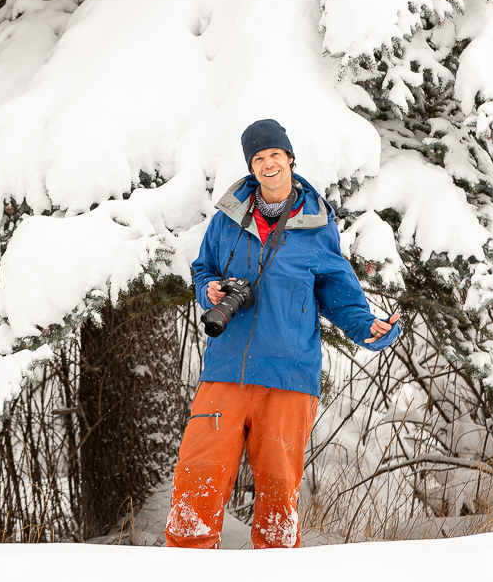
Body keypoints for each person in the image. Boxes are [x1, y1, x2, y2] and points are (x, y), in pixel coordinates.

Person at [164, 118, 401, 549]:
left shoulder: (317, 225)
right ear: (251, 168)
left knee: (277, 499)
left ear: (289, 158)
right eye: (258, 158)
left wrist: (371, 329)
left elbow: (338, 293)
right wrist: (208, 289)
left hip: (288, 378)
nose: (268, 164)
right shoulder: (226, 219)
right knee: (197, 483)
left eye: (275, 154)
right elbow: (204, 269)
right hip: (226, 372)